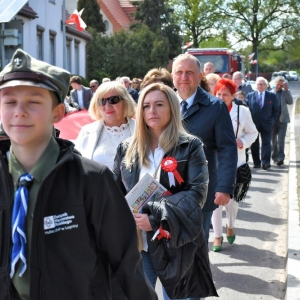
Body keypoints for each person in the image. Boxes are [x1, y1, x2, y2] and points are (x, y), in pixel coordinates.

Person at [0, 49, 157, 300]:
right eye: (9, 101)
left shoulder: (91, 181)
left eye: (33, 101)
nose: (19, 111)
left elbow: (126, 265)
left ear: (58, 113)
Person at [113, 82, 218, 300]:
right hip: (138, 244)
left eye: (159, 104)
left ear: (171, 107)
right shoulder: (126, 148)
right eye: (146, 106)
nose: (152, 111)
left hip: (176, 242)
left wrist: (156, 219)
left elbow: (197, 193)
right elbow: (115, 193)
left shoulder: (190, 146)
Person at [172, 53, 237, 247]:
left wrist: (225, 187)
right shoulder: (162, 104)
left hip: (200, 191)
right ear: (172, 75)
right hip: (166, 191)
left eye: (190, 72)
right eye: (179, 72)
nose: (184, 77)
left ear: (200, 75)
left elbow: (227, 149)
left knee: (195, 249)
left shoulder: (215, 107)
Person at [211, 78, 258, 252]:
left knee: (232, 202)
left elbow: (253, 133)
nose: (221, 97)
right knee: (214, 202)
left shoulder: (242, 111)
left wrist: (243, 142)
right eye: (218, 94)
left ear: (233, 96)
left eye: (225, 95)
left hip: (236, 163)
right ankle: (217, 236)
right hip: (214, 164)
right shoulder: (211, 110)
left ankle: (230, 225)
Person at [75, 81, 136, 170]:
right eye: (101, 101)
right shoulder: (87, 131)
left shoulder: (142, 129)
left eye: (113, 99)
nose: (107, 106)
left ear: (125, 101)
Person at [246, 77, 279, 170]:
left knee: (266, 143)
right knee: (254, 144)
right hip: (253, 124)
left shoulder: (271, 96)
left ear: (266, 85)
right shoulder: (250, 95)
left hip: (267, 124)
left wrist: (272, 121)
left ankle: (266, 162)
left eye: (262, 84)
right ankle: (256, 162)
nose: (260, 86)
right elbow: (246, 109)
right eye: (258, 84)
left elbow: (276, 110)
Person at [271, 76, 293, 166]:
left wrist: (286, 90)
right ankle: (274, 156)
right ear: (275, 84)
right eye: (278, 84)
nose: (279, 86)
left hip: (282, 120)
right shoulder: (270, 93)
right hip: (272, 120)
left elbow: (290, 101)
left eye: (281, 85)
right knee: (273, 140)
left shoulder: (285, 92)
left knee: (281, 140)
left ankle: (281, 157)